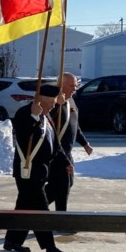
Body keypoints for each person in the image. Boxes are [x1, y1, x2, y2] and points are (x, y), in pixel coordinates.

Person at [3, 83, 70, 252]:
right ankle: (50, 248)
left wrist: (65, 162)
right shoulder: (24, 114)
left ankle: (12, 240)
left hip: (40, 171)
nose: (54, 106)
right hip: (27, 172)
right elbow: (25, 137)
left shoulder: (46, 117)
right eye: (52, 103)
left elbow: (55, 144)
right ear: (42, 100)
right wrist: (33, 116)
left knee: (24, 207)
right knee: (41, 210)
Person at [47, 72, 93, 214]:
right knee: (63, 185)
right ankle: (61, 218)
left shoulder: (71, 101)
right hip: (56, 153)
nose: (75, 89)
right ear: (61, 86)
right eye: (71, 86)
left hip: (67, 151)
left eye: (76, 85)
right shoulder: (52, 102)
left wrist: (84, 143)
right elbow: (45, 120)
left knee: (65, 184)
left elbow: (74, 125)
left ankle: (32, 206)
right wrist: (57, 106)